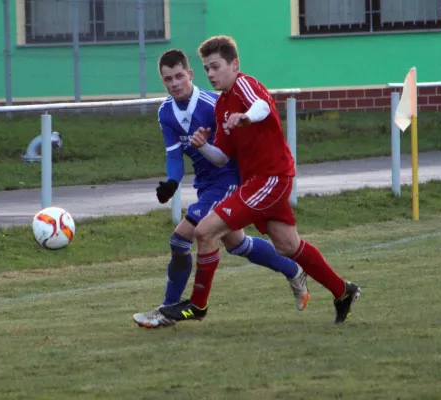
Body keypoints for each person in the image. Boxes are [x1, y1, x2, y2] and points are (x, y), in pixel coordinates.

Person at [158, 37, 361, 325]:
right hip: (257, 180)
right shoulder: (221, 106)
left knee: (204, 232)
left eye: (216, 67)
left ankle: (197, 305)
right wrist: (203, 145)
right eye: (207, 69)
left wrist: (246, 117)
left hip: (270, 178)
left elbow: (263, 107)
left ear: (235, 64)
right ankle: (343, 292)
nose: (212, 74)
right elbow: (222, 158)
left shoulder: (244, 84)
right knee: (288, 245)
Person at [132, 49, 310, 328]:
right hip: (206, 185)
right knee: (236, 244)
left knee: (180, 239)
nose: (175, 83)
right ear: (163, 82)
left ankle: (167, 311)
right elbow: (174, 155)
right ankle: (293, 271)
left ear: (190, 75)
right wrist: (171, 182)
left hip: (228, 180)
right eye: (168, 79)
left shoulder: (212, 103)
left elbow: (240, 142)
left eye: (180, 76)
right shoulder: (165, 112)